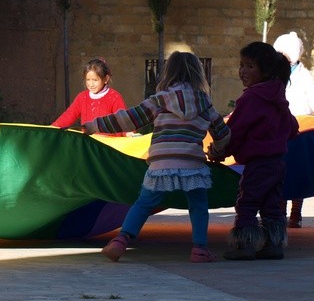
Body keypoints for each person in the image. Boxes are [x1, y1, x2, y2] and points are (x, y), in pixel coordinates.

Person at [86, 51, 230, 263]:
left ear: (168, 74)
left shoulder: (160, 100)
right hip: (192, 163)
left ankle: (121, 241)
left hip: (162, 163)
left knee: (144, 203)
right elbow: (223, 132)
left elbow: (129, 119)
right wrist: (218, 151)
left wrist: (94, 125)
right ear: (198, 75)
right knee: (198, 205)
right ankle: (200, 249)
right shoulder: (204, 103)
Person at [208, 41, 299, 260]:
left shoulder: (252, 98)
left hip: (258, 163)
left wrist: (218, 152)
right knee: (272, 203)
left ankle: (245, 245)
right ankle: (274, 244)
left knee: (247, 202)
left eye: (250, 66)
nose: (242, 71)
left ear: (265, 71)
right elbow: (293, 128)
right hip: (278, 162)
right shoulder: (278, 97)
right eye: (241, 65)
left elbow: (235, 131)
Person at [273, 31, 314, 228]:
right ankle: (280, 211)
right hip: (278, 130)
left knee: (298, 170)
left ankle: (296, 212)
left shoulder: (303, 75)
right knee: (281, 171)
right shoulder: (274, 74)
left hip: (299, 129)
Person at [52, 57, 126, 129]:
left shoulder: (114, 97)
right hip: (88, 140)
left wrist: (128, 133)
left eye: (95, 80)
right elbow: (69, 115)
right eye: (88, 80)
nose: (91, 84)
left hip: (109, 141)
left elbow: (123, 121)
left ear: (106, 79)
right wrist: (53, 127)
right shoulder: (82, 97)